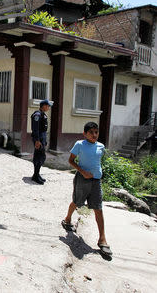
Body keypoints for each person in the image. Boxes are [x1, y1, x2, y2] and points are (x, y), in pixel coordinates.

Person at [61, 122, 112, 256]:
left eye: (96, 132)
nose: (94, 135)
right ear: (85, 134)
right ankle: (67, 219)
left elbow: (97, 161)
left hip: (96, 181)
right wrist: (82, 171)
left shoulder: (101, 146)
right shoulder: (79, 144)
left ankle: (102, 239)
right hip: (82, 179)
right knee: (77, 202)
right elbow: (71, 161)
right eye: (91, 132)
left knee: (98, 208)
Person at [31, 99, 52, 184]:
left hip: (42, 138)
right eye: (48, 106)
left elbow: (43, 130)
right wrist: (37, 141)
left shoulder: (42, 115)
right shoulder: (37, 115)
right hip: (38, 139)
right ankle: (36, 176)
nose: (48, 107)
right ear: (43, 106)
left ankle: (36, 174)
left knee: (40, 156)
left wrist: (44, 141)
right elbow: (35, 129)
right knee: (40, 157)